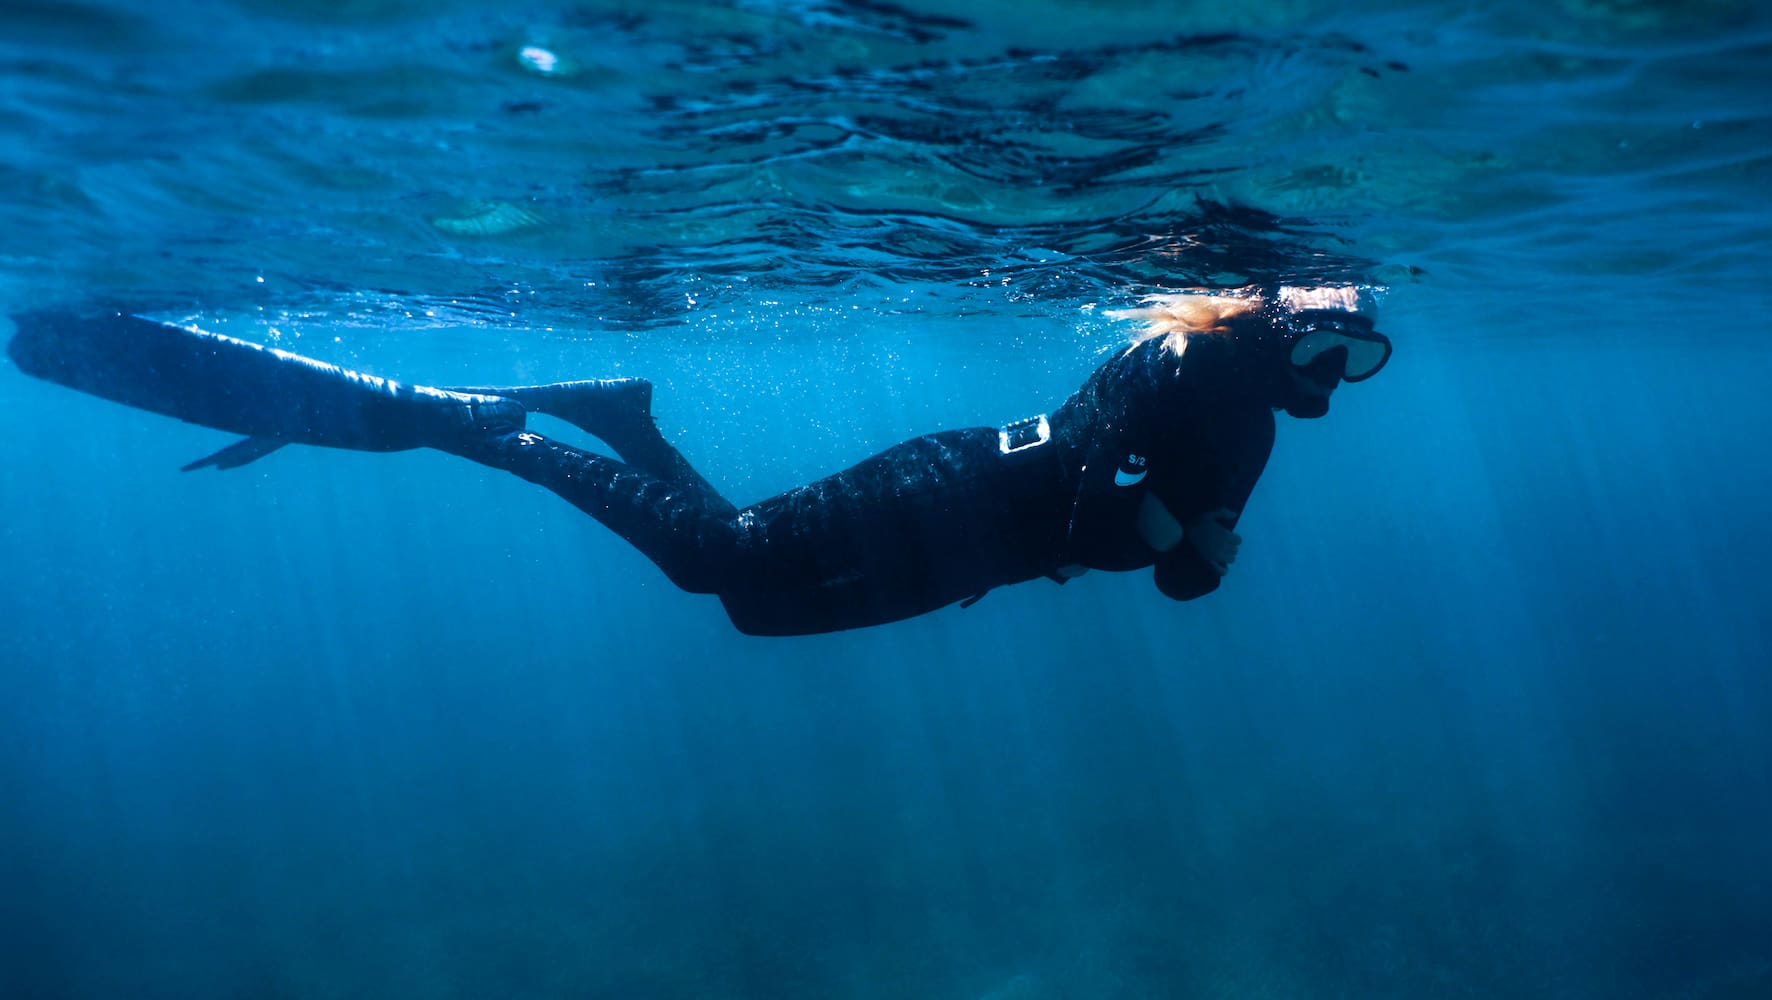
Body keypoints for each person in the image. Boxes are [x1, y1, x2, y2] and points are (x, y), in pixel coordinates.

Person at [7, 288, 1390, 635]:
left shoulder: (1256, 421)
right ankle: (497, 437)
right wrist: (1176, 534)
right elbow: (1119, 510)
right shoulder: (1197, 363)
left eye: (1354, 362)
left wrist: (1193, 547)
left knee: (750, 600)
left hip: (985, 548)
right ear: (1282, 328)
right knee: (714, 567)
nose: (1333, 377)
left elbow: (1177, 577)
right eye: (1330, 347)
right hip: (960, 491)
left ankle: (617, 414)